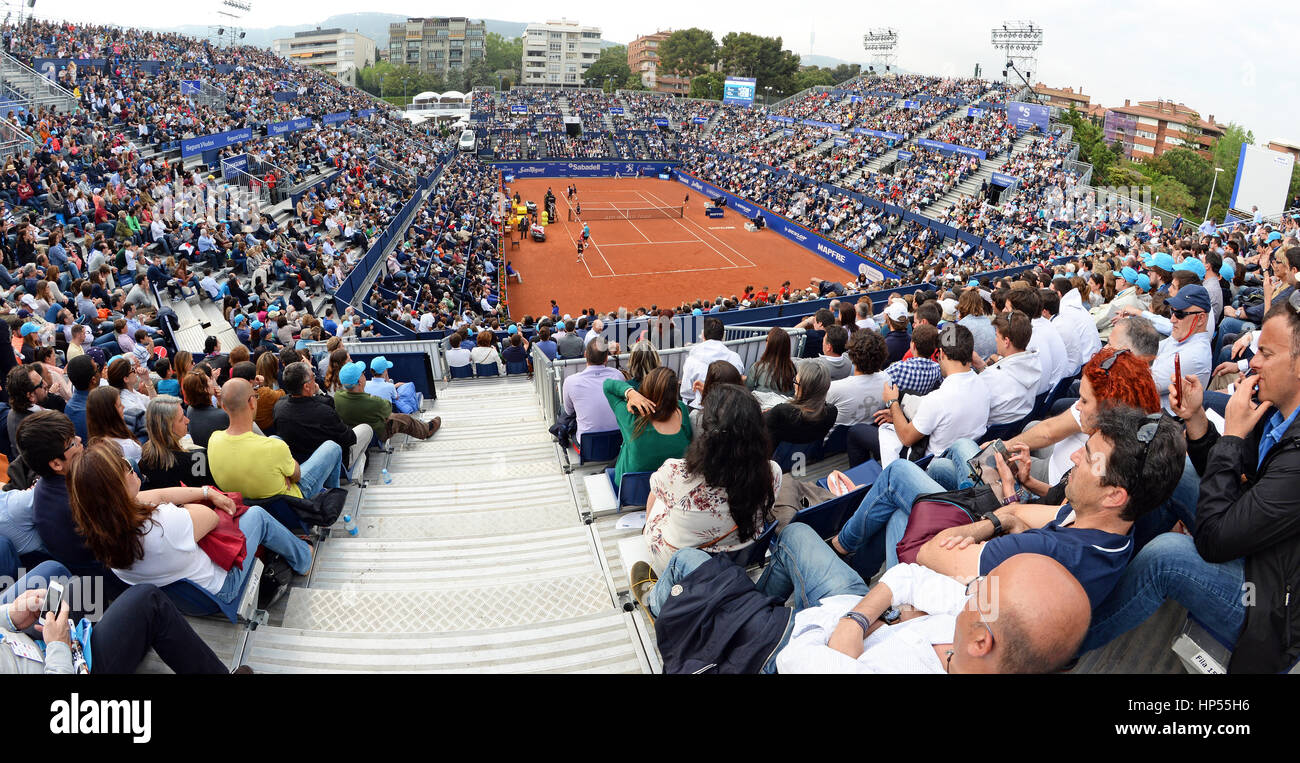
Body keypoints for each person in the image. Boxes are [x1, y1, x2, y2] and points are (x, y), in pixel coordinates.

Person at [1085, 298, 1300, 671]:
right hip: (1265, 553)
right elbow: (1234, 478)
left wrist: (1232, 437)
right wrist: (1198, 419)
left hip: (1271, 606)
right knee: (1175, 469)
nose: (1255, 362)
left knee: (1168, 556)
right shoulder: (1279, 413)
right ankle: (1106, 576)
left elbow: (1215, 540)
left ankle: (1063, 643)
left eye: (1266, 352)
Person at [68, 439, 312, 604]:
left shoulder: (101, 529)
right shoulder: (161, 524)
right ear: (116, 488)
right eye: (124, 467)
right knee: (256, 515)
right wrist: (190, 502)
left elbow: (159, 495)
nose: (131, 468)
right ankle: (303, 557)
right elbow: (209, 517)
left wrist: (206, 492)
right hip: (223, 590)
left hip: (186, 600)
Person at [642, 384, 779, 571]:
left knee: (657, 496)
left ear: (706, 427)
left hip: (680, 568)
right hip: (737, 558)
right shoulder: (773, 472)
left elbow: (656, 487)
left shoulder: (675, 472)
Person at [1, 575, 233, 674]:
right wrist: (59, 646)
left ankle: (123, 642)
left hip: (31, 645)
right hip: (58, 669)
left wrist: (11, 616)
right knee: (148, 600)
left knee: (83, 586)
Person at [853, 324, 990, 467]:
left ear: (941, 354)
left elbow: (906, 438)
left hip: (927, 466)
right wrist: (899, 414)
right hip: (964, 458)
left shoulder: (937, 399)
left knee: (856, 432)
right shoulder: (985, 385)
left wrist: (893, 402)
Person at [208, 378, 343, 501]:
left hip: (248, 503)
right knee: (332, 447)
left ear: (224, 407)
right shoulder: (275, 447)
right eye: (256, 396)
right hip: (294, 504)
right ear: (251, 402)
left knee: (275, 438)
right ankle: (330, 502)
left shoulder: (214, 439)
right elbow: (297, 476)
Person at [274, 362, 372, 477]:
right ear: (306, 386)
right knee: (366, 429)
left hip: (299, 463)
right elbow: (349, 439)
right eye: (313, 377)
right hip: (334, 465)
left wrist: (317, 394)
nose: (315, 380)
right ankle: (355, 468)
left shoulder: (279, 407)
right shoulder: (323, 412)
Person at [603, 367, 692, 486]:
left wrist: (630, 392)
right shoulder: (681, 410)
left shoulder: (629, 416)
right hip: (671, 489)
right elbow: (690, 438)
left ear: (645, 387)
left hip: (632, 492)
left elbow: (607, 386)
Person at [333, 361, 441, 444]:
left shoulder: (337, 397)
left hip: (353, 433)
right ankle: (426, 430)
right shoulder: (373, 402)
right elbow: (388, 408)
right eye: (362, 374)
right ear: (360, 381)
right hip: (376, 435)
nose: (364, 375)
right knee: (403, 419)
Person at [1149, 283, 1213, 413]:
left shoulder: (1194, 355)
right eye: (1172, 311)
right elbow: (1150, 352)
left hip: (1158, 418)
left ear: (1201, 319)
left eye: (1179, 314)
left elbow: (1146, 383)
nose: (1172, 319)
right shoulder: (1182, 336)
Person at [973, 310, 1042, 426]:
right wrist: (981, 365)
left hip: (987, 436)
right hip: (1014, 430)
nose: (995, 339)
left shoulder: (991, 377)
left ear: (1006, 341)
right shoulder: (1035, 364)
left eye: (997, 336)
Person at [138, 395, 215, 489]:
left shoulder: (146, 454)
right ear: (168, 428)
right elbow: (209, 490)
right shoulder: (196, 460)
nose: (187, 420)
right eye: (181, 418)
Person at [562, 339, 625, 445]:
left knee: (562, 410)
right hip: (617, 443)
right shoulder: (618, 376)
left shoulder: (570, 381)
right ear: (606, 358)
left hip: (587, 446)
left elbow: (569, 412)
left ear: (585, 354)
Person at [825, 329, 891, 429]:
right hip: (870, 436)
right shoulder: (886, 379)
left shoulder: (834, 388)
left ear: (851, 355)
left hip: (837, 441)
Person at [764, 360, 837, 448]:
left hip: (773, 458)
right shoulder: (831, 412)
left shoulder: (782, 412)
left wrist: (769, 414)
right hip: (809, 457)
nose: (794, 385)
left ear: (805, 388)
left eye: (796, 382)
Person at [679, 317, 744, 408]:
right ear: (722, 336)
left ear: (703, 336)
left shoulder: (691, 360)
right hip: (731, 408)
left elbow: (687, 393)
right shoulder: (735, 357)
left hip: (701, 409)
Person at [86, 385, 142, 464]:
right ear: (110, 413)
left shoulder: (93, 445)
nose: (123, 406)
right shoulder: (126, 446)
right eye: (119, 405)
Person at [5, 364, 47, 455]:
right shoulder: (38, 427)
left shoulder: (13, 412)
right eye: (41, 384)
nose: (46, 384)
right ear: (30, 396)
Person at [745, 328, 797, 398]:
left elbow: (748, 390)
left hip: (762, 406)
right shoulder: (792, 368)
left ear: (769, 344)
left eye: (767, 339)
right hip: (784, 406)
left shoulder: (757, 367)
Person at [182, 370, 228, 448]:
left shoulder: (190, 409)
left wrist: (219, 400)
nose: (212, 381)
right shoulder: (222, 415)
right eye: (210, 380)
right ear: (205, 389)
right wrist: (221, 401)